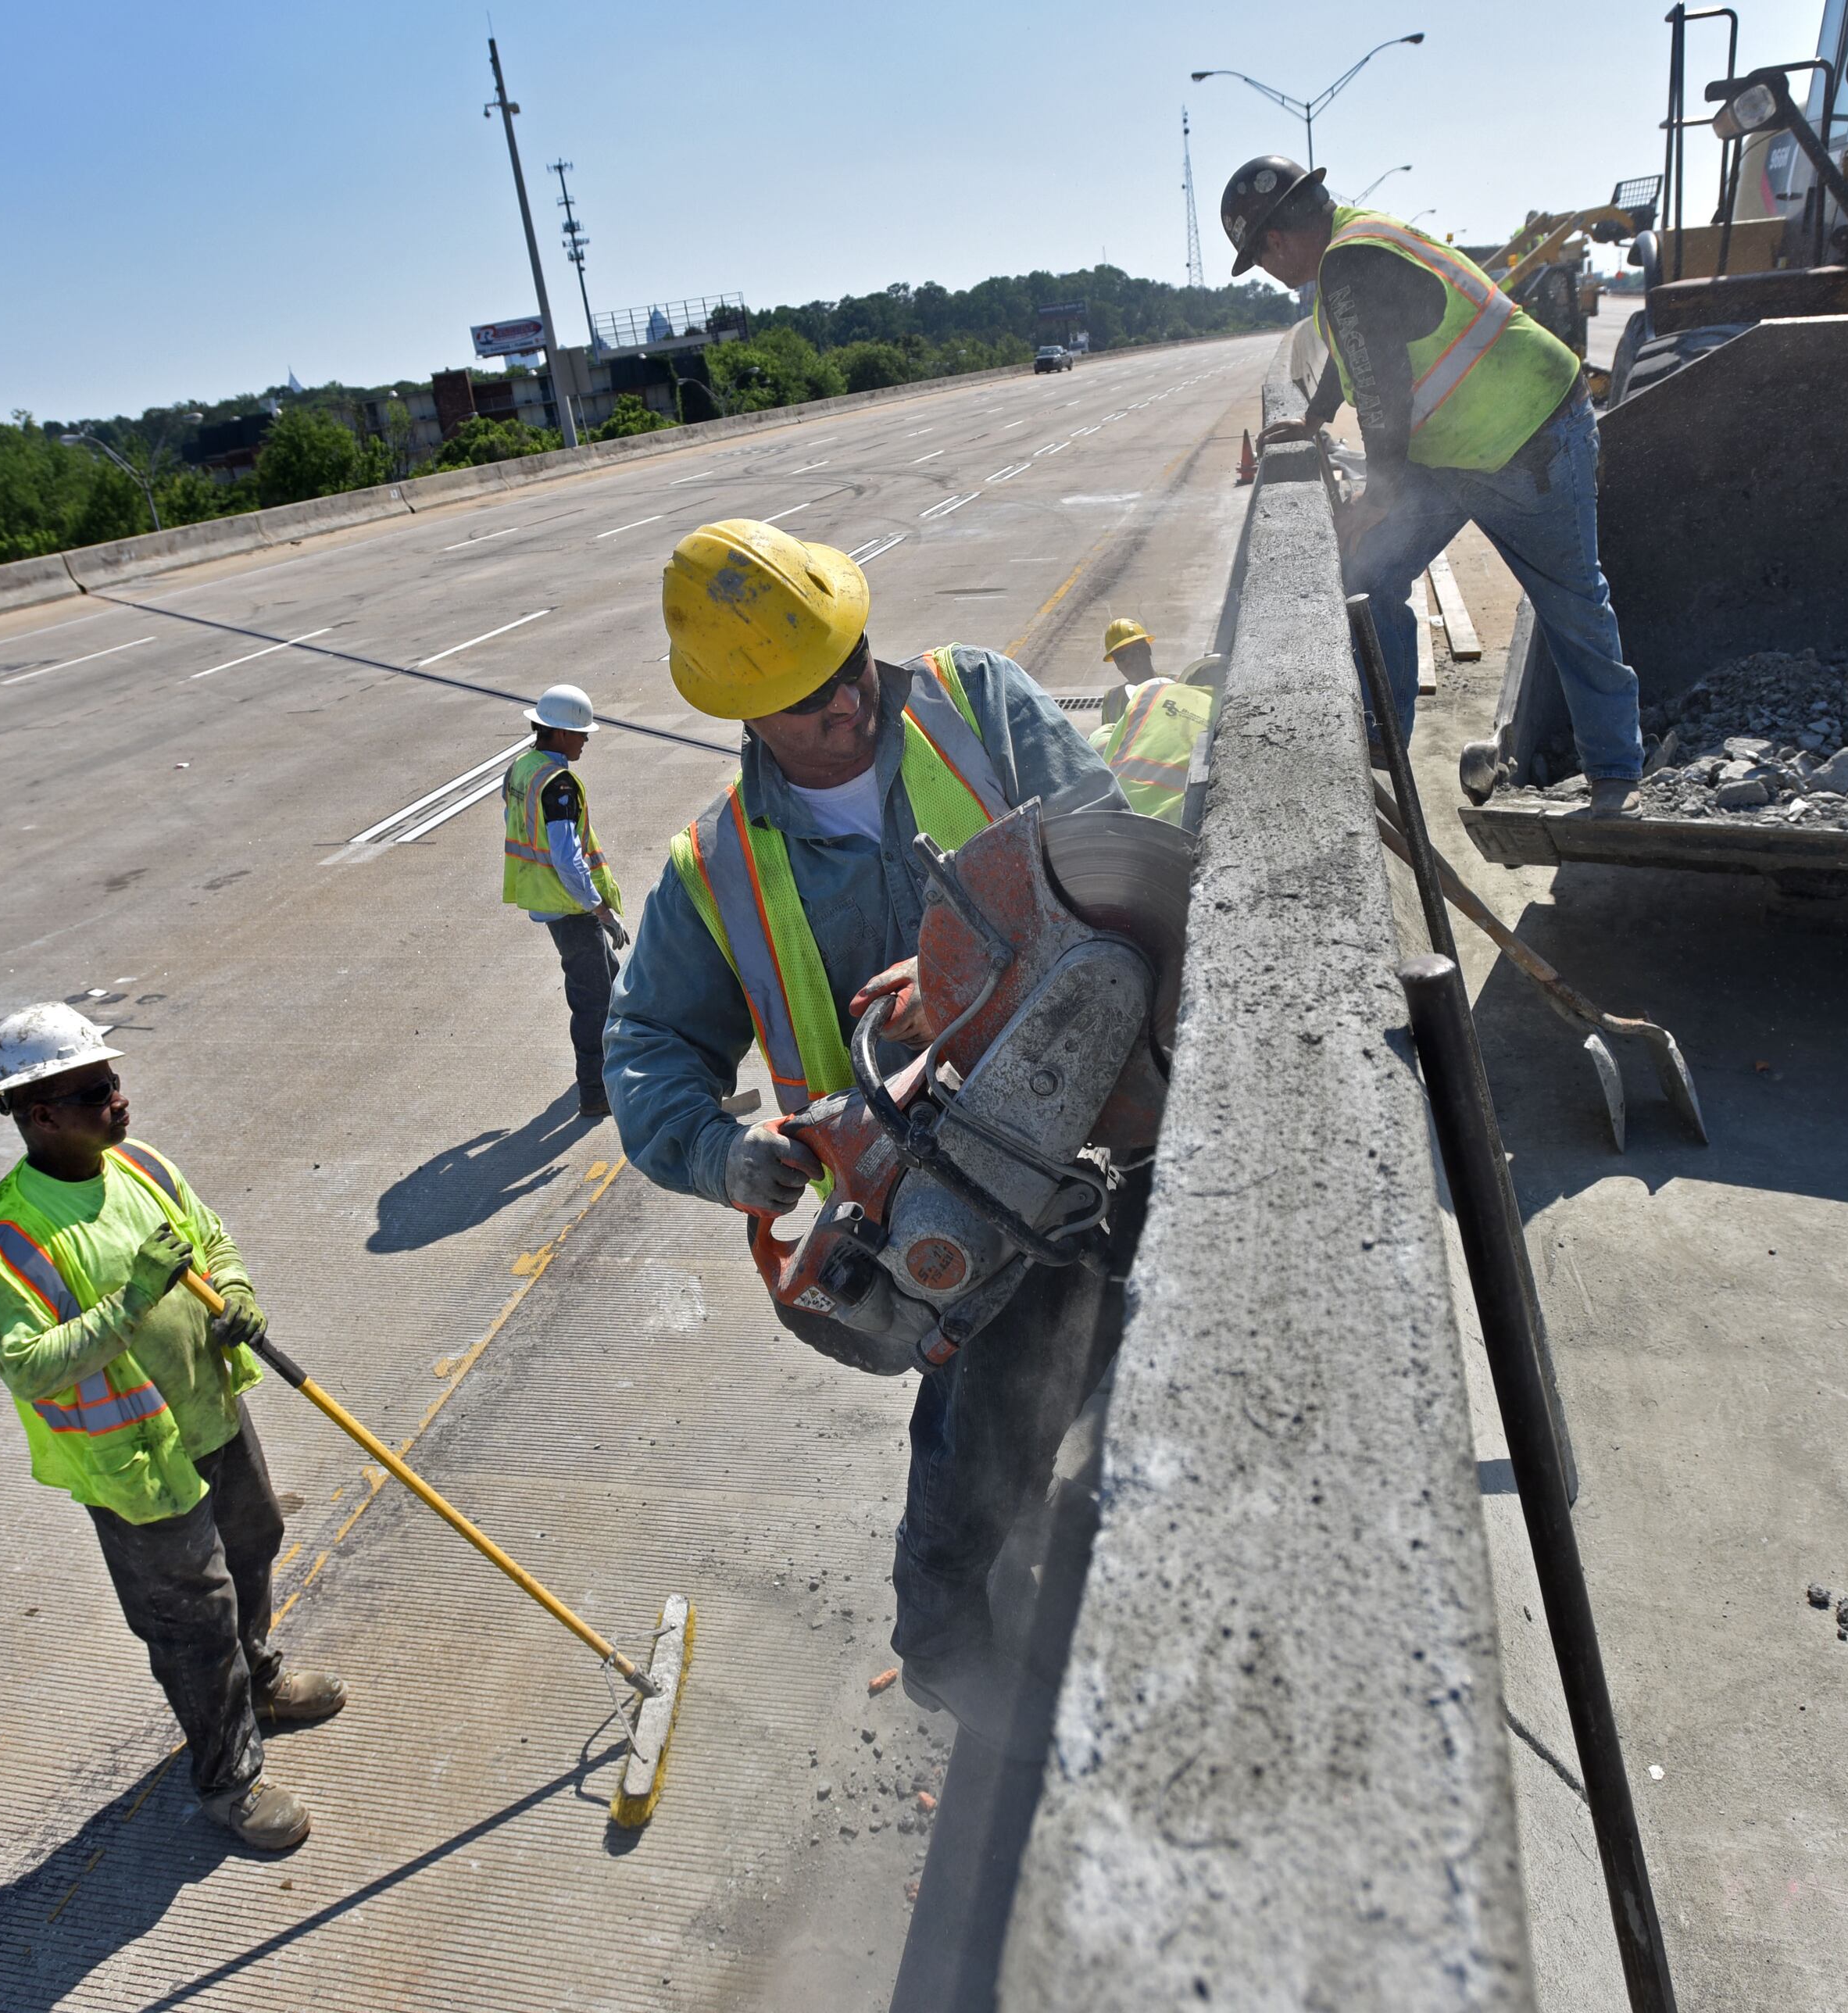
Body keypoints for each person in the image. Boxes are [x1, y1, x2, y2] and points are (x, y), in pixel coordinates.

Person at [603, 518, 1131, 1727]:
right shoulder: (719, 867)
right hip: (949, 1214)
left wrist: (961, 972)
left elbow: (1112, 857)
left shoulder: (973, 704)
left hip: (1107, 1121)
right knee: (972, 1459)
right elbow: (645, 1051)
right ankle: (959, 1678)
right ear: (745, 715)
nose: (847, 704)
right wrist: (721, 1151)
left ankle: (1064, 1576)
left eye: (850, 664)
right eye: (806, 700)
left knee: (1116, 1397)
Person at [0, 1003, 345, 1852]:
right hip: (134, 1463)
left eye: (115, 1080)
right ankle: (227, 1777)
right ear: (39, 1114)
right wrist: (131, 1300)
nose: (119, 1099)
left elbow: (212, 1240)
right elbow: (30, 1364)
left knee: (255, 1543)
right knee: (191, 1622)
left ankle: (262, 1680)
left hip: (210, 1412)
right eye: (95, 1090)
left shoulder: (138, 1165)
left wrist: (236, 1291)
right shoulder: (7, 1243)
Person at [1225, 154, 1646, 816]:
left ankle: (1616, 774)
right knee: (1368, 567)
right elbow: (1357, 348)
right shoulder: (1357, 240)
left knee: (1569, 604)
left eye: (1261, 259)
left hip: (1528, 434)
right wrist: (1315, 414)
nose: (1272, 276)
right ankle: (1382, 735)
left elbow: (1384, 389)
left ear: (1274, 240)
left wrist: (1382, 492)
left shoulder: (1349, 260)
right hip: (1453, 452)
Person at [504, 683, 629, 1119]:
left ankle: (617, 1067)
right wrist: (600, 909)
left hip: (548, 899)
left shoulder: (522, 768)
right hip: (571, 906)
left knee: (613, 984)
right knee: (593, 999)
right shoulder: (559, 785)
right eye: (580, 733)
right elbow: (566, 856)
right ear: (558, 734)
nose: (585, 740)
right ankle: (597, 1092)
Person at [1092, 618, 1221, 823]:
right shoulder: (1113, 700)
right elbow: (1107, 747)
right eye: (1122, 656)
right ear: (1116, 664)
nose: (1131, 660)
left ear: (1148, 650)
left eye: (1136, 651)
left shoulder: (1177, 685)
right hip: (1129, 796)